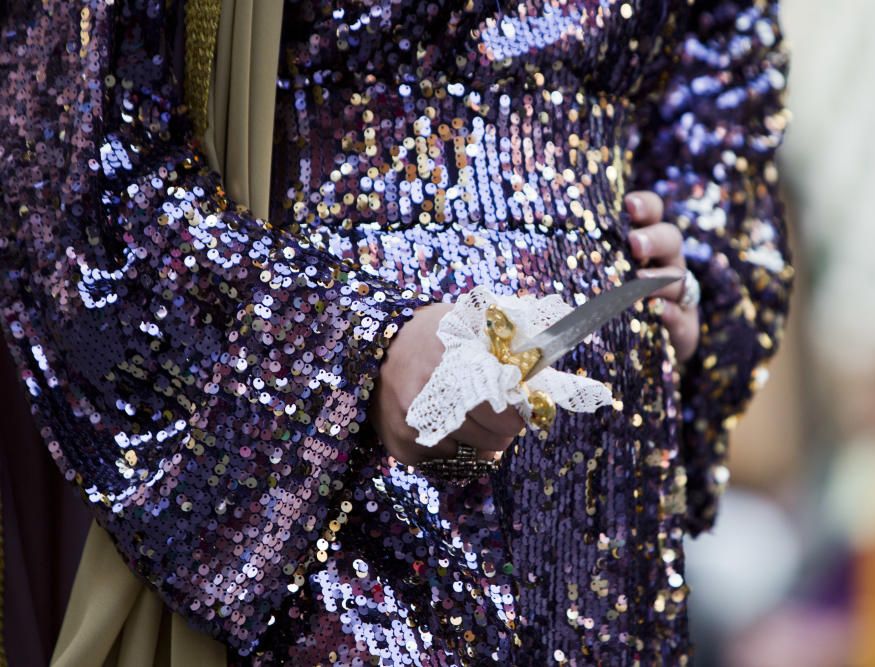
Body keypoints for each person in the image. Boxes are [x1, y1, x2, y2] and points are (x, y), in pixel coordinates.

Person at [0, 0, 793, 663]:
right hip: (330, 489)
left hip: (605, 491)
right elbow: (71, 146)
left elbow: (727, 90)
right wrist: (345, 353)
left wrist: (694, 277)